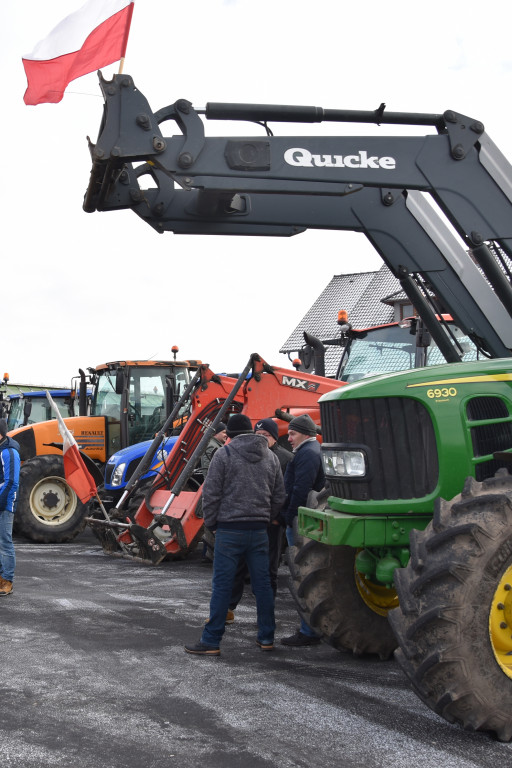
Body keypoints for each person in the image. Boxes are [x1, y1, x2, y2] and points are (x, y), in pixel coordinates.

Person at [184, 413, 285, 655]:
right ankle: (267, 638)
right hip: (259, 531)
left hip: (229, 530)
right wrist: (265, 517)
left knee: (222, 586)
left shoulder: (223, 454)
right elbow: (280, 495)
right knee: (262, 586)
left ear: (228, 435)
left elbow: (211, 495)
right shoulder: (271, 457)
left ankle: (211, 641)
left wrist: (213, 523)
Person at [228, 417, 292, 611]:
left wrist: (275, 518)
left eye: (265, 435)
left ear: (274, 437)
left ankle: (266, 611)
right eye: (258, 435)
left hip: (271, 522)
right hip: (250, 520)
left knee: (267, 568)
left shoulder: (286, 459)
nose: (261, 438)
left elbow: (285, 492)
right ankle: (229, 608)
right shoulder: (241, 455)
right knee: (238, 567)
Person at [280, 413, 324, 647]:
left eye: (292, 433)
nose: (288, 438)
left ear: (305, 434)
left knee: (301, 575)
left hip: (300, 520)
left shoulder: (307, 454)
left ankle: (308, 631)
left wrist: (289, 517)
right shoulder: (312, 450)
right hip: (304, 518)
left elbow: (300, 488)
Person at [0, 419, 20, 597]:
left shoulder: (9, 452)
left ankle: (7, 581)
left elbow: (11, 482)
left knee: (4, 542)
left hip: (4, 504)